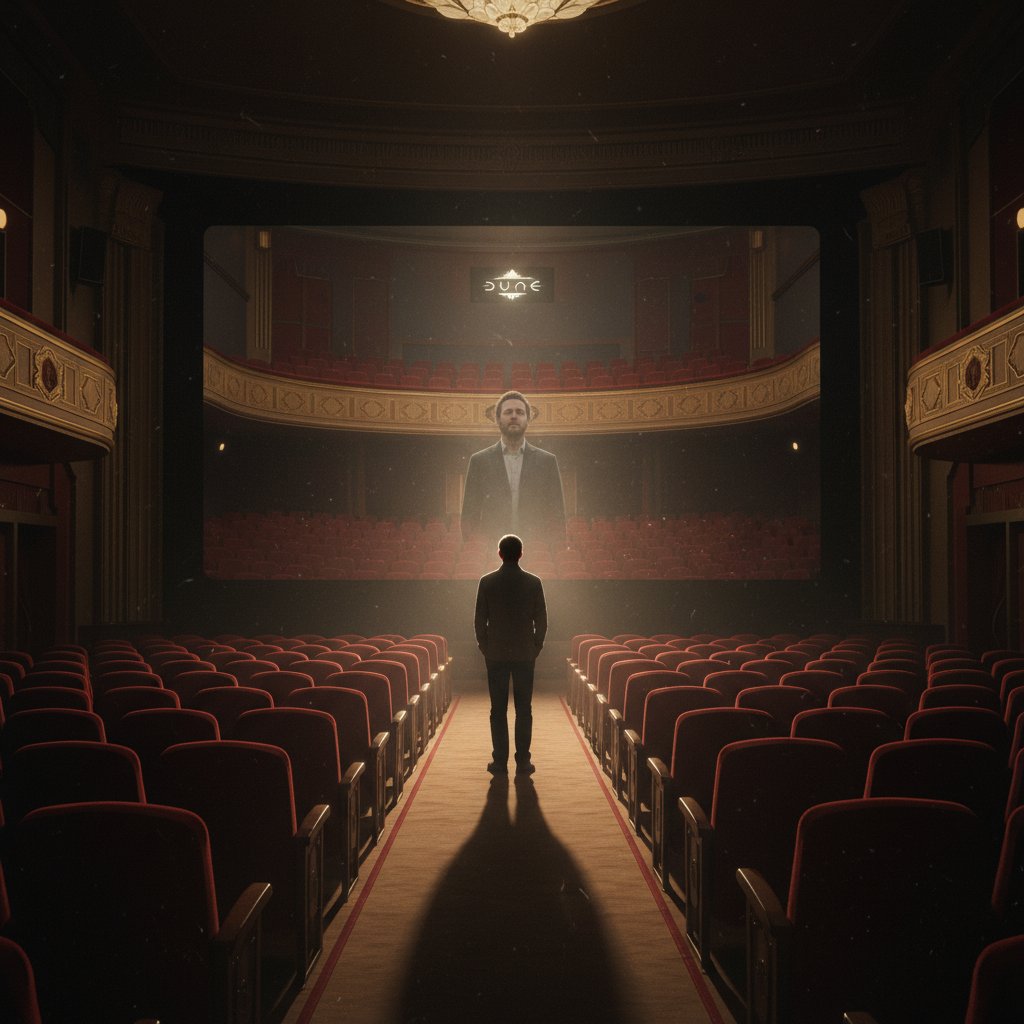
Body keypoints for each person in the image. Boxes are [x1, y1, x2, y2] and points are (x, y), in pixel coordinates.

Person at [474, 533, 547, 775]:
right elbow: (542, 621)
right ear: (521, 554)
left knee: (498, 710)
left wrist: (485, 647)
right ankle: (523, 762)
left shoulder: (487, 582)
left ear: (500, 553)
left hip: (495, 654)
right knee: (524, 709)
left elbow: (479, 621)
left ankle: (500, 762)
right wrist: (535, 647)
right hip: (525, 653)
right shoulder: (534, 582)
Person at [461, 390, 566, 545]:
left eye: (520, 412)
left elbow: (556, 515)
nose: (514, 416)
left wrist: (549, 551)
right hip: (492, 552)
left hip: (536, 552)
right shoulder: (479, 461)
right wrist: (477, 549)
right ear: (497, 419)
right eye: (508, 412)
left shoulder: (547, 461)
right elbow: (469, 515)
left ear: (528, 419)